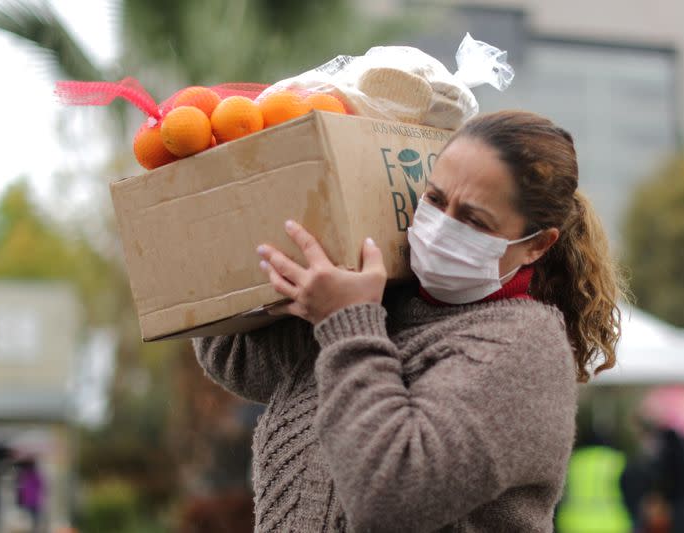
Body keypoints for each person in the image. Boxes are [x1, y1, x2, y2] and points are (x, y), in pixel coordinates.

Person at [192, 110, 626, 532]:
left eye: (474, 220)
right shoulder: (388, 298)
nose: (440, 227)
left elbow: (389, 497)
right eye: (435, 199)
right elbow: (235, 360)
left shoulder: (523, 349)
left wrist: (346, 321)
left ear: (537, 245)